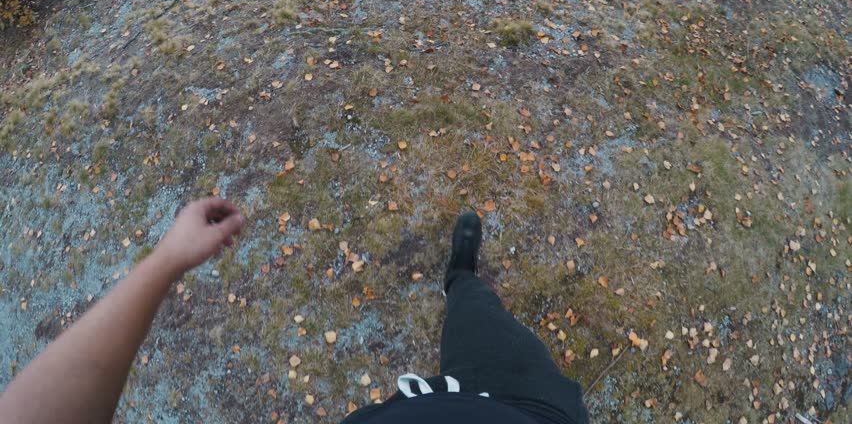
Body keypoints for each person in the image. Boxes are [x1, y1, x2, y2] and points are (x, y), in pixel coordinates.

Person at [0, 199, 589, 424]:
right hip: (532, 412)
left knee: (475, 315)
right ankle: (462, 280)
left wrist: (166, 262)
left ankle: (461, 278)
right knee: (489, 331)